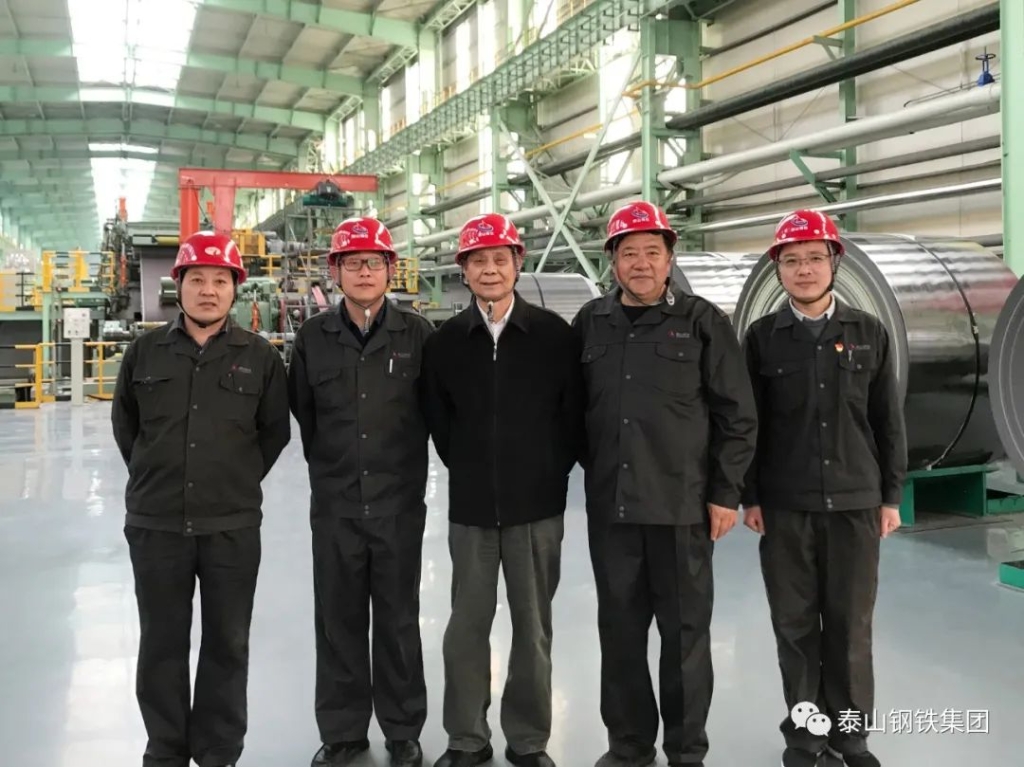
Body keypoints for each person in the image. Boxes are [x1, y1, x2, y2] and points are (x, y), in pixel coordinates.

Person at [572, 200, 758, 767]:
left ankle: (685, 749)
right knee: (620, 634)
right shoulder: (590, 323)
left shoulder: (702, 322)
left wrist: (725, 492)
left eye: (652, 252)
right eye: (629, 253)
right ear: (612, 261)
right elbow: (571, 411)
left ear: (669, 258)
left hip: (683, 509)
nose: (641, 263)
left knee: (685, 637)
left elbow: (737, 414)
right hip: (613, 511)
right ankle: (629, 745)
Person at [111, 231, 291, 767]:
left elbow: (273, 433)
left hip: (230, 527)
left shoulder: (260, 357)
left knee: (227, 643)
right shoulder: (144, 352)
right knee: (161, 643)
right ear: (179, 285)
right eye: (197, 279)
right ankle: (166, 749)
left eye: (220, 280)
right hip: (157, 525)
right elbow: (127, 428)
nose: (208, 290)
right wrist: (157, 478)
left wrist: (231, 481)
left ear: (235, 289)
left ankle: (217, 751)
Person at [740, 210, 907, 767]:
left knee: (850, 626)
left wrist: (890, 496)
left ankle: (850, 735)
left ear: (835, 263)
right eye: (792, 261)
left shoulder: (868, 332)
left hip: (855, 501)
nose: (804, 269)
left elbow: (887, 420)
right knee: (794, 627)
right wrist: (750, 495)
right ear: (778, 270)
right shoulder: (762, 339)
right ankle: (807, 735)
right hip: (785, 505)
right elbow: (749, 424)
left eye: (815, 258)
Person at [421, 213, 585, 767]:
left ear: (517, 263)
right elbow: (440, 423)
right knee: (465, 629)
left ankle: (529, 739)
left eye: (499, 259)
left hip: (537, 510)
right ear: (463, 270)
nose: (489, 269)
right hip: (470, 511)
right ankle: (466, 738)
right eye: (478, 261)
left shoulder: (554, 337)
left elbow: (572, 419)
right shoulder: (445, 343)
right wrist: (473, 468)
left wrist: (544, 471)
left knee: (533, 629)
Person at [287, 217, 434, 767]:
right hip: (336, 507)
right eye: (353, 263)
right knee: (338, 620)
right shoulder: (312, 338)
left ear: (390, 270)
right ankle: (343, 731)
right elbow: (304, 414)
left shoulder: (418, 335)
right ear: (336, 271)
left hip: (398, 505)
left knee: (398, 620)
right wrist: (334, 473)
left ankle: (403, 729)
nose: (365, 272)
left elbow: (435, 412)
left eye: (374, 262)